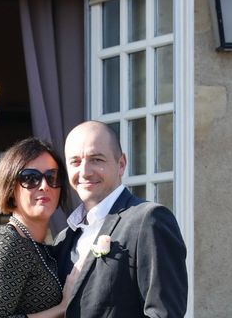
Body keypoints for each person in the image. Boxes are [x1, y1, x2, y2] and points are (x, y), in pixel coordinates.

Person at [54, 121, 188, 318]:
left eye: (96, 159)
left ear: (121, 164)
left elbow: (163, 314)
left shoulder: (149, 220)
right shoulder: (64, 239)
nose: (84, 171)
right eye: (75, 162)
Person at [0, 137, 80, 318]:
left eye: (52, 177)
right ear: (11, 189)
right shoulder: (7, 244)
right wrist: (61, 309)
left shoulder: (39, 245)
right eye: (30, 178)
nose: (45, 186)